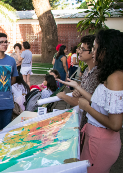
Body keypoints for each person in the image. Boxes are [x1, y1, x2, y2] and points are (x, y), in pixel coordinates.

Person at [58, 29, 123, 173]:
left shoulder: (115, 77)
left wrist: (87, 107)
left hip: (101, 141)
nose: (92, 52)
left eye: (95, 48)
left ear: (105, 50)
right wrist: (77, 87)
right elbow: (100, 102)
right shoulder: (110, 74)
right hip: (95, 137)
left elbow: (115, 124)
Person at [57, 35, 99, 129]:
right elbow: (83, 94)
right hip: (84, 122)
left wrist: (63, 96)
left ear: (92, 51)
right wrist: (79, 90)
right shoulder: (87, 70)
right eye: (80, 48)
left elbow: (86, 102)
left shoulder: (97, 74)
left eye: (83, 49)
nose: (79, 51)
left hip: (92, 125)